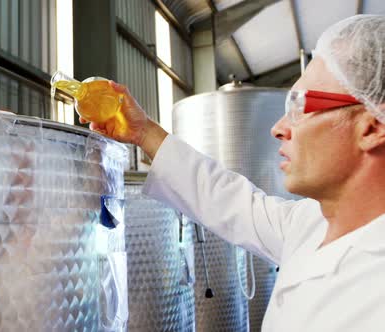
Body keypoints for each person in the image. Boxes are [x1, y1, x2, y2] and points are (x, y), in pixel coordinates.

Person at [80, 14, 385, 331]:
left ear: (372, 126)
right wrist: (143, 132)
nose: (278, 129)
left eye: (300, 105)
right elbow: (227, 199)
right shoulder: (309, 223)